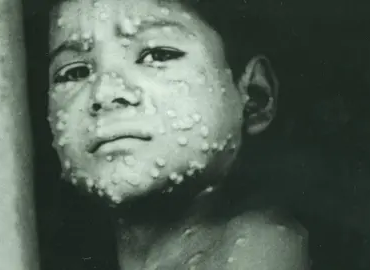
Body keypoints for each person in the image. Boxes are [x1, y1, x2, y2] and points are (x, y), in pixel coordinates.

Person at [47, 0, 310, 269]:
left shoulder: (264, 249)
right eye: (74, 72)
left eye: (157, 55)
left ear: (255, 96)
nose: (104, 93)